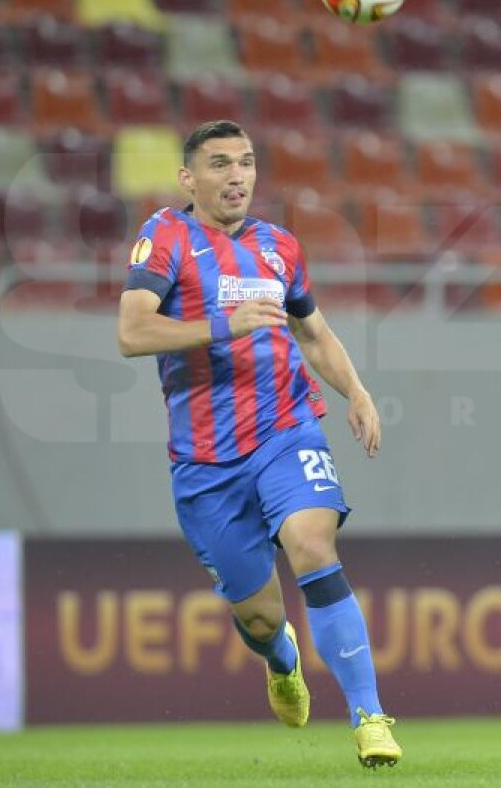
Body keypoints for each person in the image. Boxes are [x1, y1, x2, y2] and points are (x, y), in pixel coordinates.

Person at [117, 120, 401, 768]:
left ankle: (369, 717)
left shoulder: (280, 246)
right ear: (188, 178)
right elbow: (132, 333)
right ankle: (280, 659)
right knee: (261, 619)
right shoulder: (165, 237)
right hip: (206, 462)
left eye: (245, 162)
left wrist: (356, 390)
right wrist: (225, 324)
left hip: (286, 428)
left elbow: (313, 331)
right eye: (219, 164)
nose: (237, 176)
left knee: (312, 544)